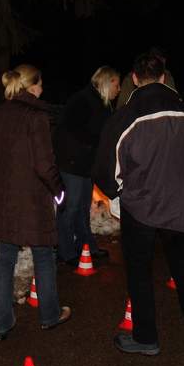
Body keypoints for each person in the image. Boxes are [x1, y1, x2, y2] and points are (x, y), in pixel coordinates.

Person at [93, 52, 184, 356]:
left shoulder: (124, 118)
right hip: (180, 204)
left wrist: (120, 193)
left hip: (142, 207)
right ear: (163, 76)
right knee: (181, 255)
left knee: (139, 269)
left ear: (134, 79)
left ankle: (146, 337)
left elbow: (106, 170)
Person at [0, 64, 72, 341]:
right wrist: (59, 190)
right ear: (32, 86)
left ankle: (0, 323)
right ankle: (50, 315)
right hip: (32, 200)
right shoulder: (36, 117)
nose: (43, 90)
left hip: (1, 199)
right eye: (41, 85)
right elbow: (44, 164)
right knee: (44, 255)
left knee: (4, 259)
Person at [53, 66, 120, 265]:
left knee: (82, 208)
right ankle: (65, 251)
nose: (118, 89)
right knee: (70, 208)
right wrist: (96, 142)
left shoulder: (104, 103)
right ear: (106, 82)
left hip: (87, 165)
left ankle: (86, 246)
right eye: (116, 84)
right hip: (72, 164)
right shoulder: (82, 101)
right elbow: (68, 132)